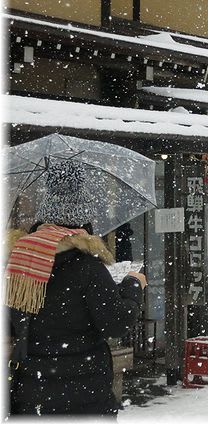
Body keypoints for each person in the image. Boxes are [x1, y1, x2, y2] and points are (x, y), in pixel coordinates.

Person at [5, 161, 147, 416]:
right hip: (85, 396)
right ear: (82, 222)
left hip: (31, 394)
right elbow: (116, 323)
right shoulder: (87, 268)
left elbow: (11, 322)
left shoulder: (20, 261)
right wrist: (133, 285)